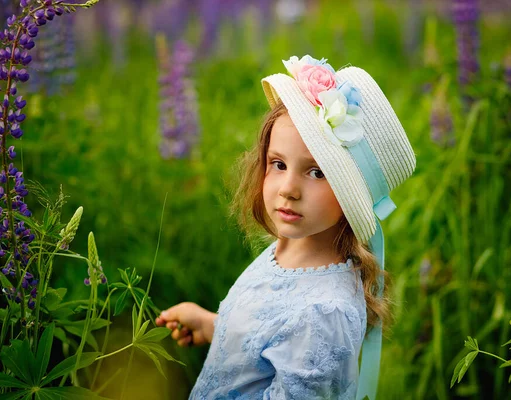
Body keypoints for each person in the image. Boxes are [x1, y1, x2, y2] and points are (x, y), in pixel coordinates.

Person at [156, 55, 416, 399]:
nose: (288, 189)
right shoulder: (290, 249)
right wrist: (212, 326)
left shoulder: (324, 315)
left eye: (317, 172)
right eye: (278, 164)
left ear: (351, 195)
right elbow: (272, 338)